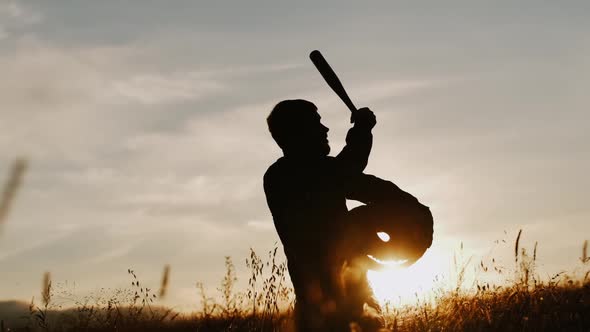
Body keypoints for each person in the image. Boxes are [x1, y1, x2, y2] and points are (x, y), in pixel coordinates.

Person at [263, 99, 431, 331]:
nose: (325, 129)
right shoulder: (285, 176)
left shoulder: (301, 173)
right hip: (327, 309)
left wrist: (414, 209)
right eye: (316, 123)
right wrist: (362, 130)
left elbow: (361, 182)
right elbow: (347, 170)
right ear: (297, 133)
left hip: (345, 300)